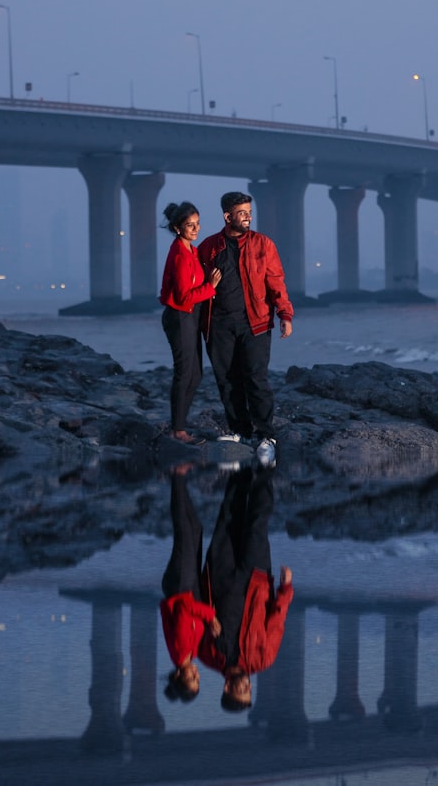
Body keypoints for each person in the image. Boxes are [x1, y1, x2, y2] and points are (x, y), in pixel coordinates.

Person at [197, 191, 293, 465]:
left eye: (249, 212)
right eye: (242, 213)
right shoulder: (208, 247)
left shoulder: (264, 245)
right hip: (218, 325)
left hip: (256, 322)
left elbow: (276, 282)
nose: (248, 216)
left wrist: (285, 314)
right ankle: (239, 430)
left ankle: (266, 435)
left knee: (256, 378)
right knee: (227, 380)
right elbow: (198, 286)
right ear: (228, 216)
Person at [198, 466, 293, 712]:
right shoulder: (264, 659)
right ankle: (265, 465)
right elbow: (276, 621)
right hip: (255, 579)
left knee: (228, 516)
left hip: (218, 576)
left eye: (241, 692)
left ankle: (238, 465)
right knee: (257, 524)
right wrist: (285, 589)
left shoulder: (207, 656)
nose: (246, 687)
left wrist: (209, 622)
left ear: (227, 689)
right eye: (248, 691)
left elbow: (193, 617)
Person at [159, 201, 221, 445]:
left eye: (197, 224)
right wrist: (211, 288)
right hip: (180, 316)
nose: (195, 229)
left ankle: (180, 426)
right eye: (189, 225)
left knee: (195, 375)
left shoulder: (191, 251)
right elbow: (184, 296)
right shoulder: (180, 256)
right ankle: (177, 430)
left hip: (190, 316)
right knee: (184, 374)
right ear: (177, 228)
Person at [160, 464, 221, 702]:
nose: (197, 674)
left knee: (184, 533)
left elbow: (185, 611)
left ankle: (177, 474)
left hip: (179, 588)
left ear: (178, 676)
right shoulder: (191, 653)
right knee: (195, 530)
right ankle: (181, 478)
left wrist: (211, 617)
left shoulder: (180, 648)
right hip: (188, 589)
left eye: (191, 678)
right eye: (198, 679)